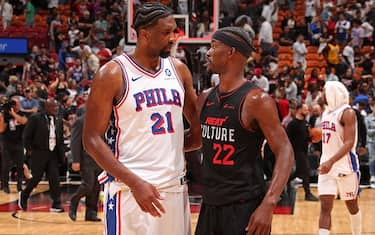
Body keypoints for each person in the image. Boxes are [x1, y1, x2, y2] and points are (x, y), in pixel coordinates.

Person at [82, 2, 201, 235]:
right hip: (130, 193)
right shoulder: (113, 74)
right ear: (144, 34)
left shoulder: (179, 70)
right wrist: (135, 182)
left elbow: (198, 131)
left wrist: (170, 147)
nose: (173, 38)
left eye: (174, 31)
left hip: (174, 190)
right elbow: (91, 139)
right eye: (166, 32)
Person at [196, 26, 294, 235]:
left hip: (245, 206)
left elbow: (285, 150)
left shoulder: (257, 100)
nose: (209, 52)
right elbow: (194, 141)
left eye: (214, 46)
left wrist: (269, 203)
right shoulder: (205, 97)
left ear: (231, 52)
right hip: (210, 204)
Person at [318, 81, 362, 235]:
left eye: (324, 91)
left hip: (346, 167)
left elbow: (349, 142)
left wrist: (331, 161)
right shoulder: (326, 112)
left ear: (333, 93)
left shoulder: (347, 113)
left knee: (351, 205)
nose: (322, 94)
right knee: (325, 208)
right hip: (326, 166)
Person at [18, 98, 65, 212]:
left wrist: (61, 155)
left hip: (53, 153)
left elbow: (60, 138)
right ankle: (24, 195)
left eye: (57, 107)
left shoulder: (58, 120)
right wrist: (29, 150)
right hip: (39, 153)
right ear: (47, 108)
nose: (56, 109)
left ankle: (56, 204)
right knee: (36, 178)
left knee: (54, 179)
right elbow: (26, 136)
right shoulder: (35, 118)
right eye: (53, 107)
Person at [68, 108, 102, 222]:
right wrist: (76, 160)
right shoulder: (81, 121)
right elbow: (75, 141)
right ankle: (74, 200)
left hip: (100, 159)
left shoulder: (102, 120)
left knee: (96, 188)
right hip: (86, 159)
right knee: (88, 185)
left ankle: (91, 213)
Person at [286, 102, 319, 201]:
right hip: (296, 151)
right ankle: (307, 194)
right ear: (299, 110)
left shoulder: (306, 123)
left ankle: (283, 182)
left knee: (298, 172)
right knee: (305, 171)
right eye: (305, 109)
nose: (307, 111)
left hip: (304, 150)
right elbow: (287, 138)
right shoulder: (292, 124)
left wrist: (313, 138)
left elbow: (307, 137)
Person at [0, 96, 28, 193]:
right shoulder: (5, 114)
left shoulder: (21, 113)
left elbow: (24, 121)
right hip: (7, 143)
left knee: (20, 165)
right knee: (5, 165)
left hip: (19, 143)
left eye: (17, 103)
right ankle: (5, 186)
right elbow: (1, 129)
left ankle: (19, 186)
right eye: (14, 103)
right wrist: (3, 117)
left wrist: (13, 114)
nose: (16, 105)